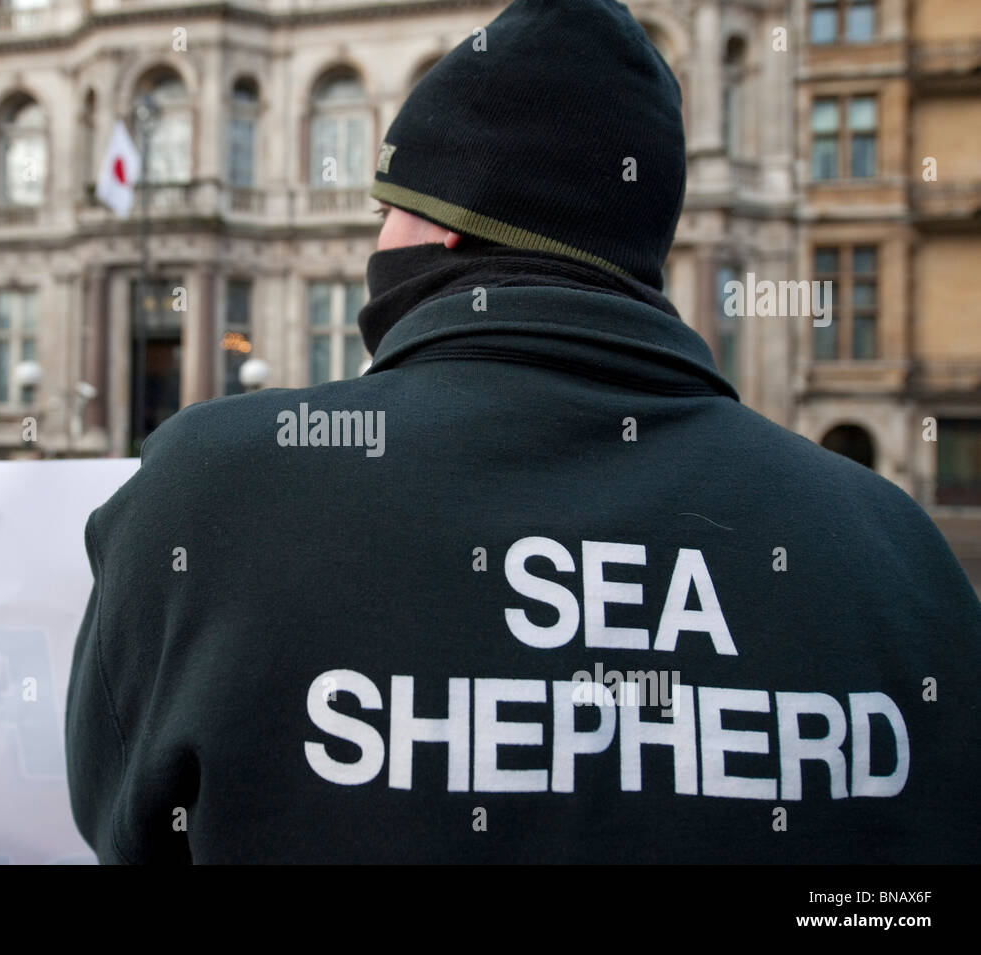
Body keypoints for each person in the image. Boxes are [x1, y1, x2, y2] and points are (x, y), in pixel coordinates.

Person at [65, 0, 981, 863]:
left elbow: (125, 829)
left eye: (390, 205)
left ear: (451, 226)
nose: (374, 238)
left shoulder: (209, 496)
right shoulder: (900, 553)